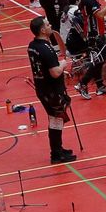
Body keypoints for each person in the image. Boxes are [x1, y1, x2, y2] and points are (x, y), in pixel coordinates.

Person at [27, 17, 77, 163]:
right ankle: (56, 154)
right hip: (51, 91)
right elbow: (55, 72)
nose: (50, 26)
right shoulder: (45, 48)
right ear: (42, 30)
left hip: (43, 88)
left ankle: (58, 149)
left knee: (55, 119)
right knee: (56, 119)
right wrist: (62, 65)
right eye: (48, 24)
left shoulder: (32, 45)